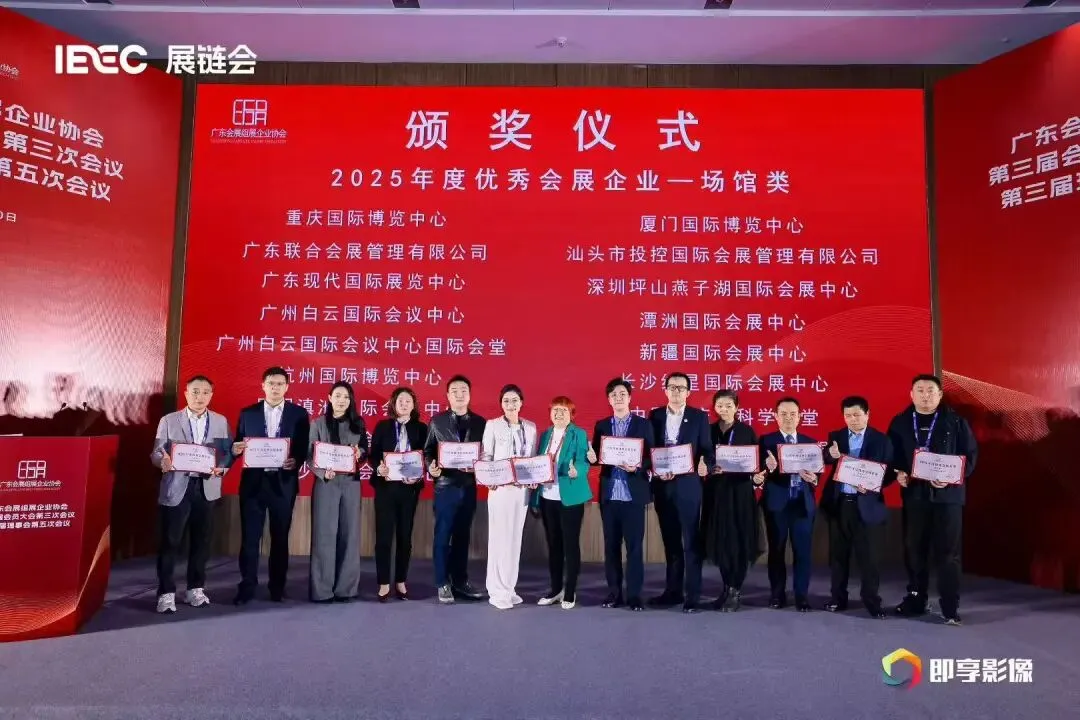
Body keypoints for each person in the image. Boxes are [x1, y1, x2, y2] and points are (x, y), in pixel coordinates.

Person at [888, 374, 978, 626]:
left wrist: (951, 478)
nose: (925, 395)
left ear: (939, 395)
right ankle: (916, 599)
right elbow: (892, 456)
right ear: (911, 394)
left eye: (930, 390)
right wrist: (899, 473)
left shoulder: (956, 422)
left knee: (948, 553)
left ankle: (950, 607)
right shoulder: (900, 422)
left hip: (948, 497)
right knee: (915, 550)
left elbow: (970, 456)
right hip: (915, 496)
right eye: (920, 390)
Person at [149, 375, 231, 613]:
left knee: (201, 542)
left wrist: (222, 467)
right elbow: (157, 452)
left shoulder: (220, 421)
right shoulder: (169, 420)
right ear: (186, 393)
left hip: (206, 487)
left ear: (211, 395)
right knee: (170, 541)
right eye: (195, 391)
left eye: (205, 392)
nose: (199, 396)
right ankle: (166, 593)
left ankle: (196, 588)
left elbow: (226, 453)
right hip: (177, 487)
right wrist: (162, 461)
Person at [231, 366, 311, 604]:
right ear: (263, 386)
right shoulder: (248, 413)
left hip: (283, 484)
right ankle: (247, 587)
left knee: (280, 538)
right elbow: (239, 442)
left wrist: (296, 460)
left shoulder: (299, 414)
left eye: (280, 384)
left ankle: (277, 587)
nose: (275, 388)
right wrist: (236, 449)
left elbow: (302, 447)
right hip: (253, 485)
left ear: (287, 387)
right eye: (271, 383)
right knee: (250, 539)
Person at [647, 371, 714, 613]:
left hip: (688, 487)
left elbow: (707, 449)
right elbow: (650, 449)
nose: (676, 392)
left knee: (691, 542)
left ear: (688, 392)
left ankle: (693, 595)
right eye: (672, 387)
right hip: (663, 487)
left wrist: (705, 463)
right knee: (671, 541)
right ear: (665, 390)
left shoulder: (699, 417)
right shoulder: (654, 416)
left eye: (681, 388)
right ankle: (673, 591)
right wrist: (654, 469)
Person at [821, 396, 893, 619]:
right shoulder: (836, 436)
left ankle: (871, 601)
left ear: (867, 414)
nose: (852, 419)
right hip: (841, 503)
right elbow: (825, 459)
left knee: (869, 558)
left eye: (856, 415)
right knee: (838, 556)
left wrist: (872, 485)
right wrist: (830, 455)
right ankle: (837, 598)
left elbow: (889, 472)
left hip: (867, 505)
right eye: (848, 416)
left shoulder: (881, 440)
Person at [591, 378, 655, 612]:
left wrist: (636, 466)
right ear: (608, 400)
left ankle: (635, 595)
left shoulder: (643, 424)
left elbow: (652, 457)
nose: (618, 398)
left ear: (630, 398)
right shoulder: (602, 425)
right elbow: (597, 457)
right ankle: (614, 593)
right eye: (613, 395)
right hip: (610, 495)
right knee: (611, 547)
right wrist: (591, 457)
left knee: (635, 548)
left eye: (622, 394)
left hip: (633, 495)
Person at [424, 374, 487, 604]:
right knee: (443, 534)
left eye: (464, 391)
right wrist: (431, 467)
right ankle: (442, 582)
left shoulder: (481, 423)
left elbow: (486, 452)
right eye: (455, 391)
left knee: (463, 535)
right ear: (447, 396)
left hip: (469, 486)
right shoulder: (437, 421)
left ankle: (460, 581)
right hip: (445, 486)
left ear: (469, 395)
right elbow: (428, 451)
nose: (460, 395)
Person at [759, 396, 821, 612]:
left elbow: (817, 474)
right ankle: (777, 595)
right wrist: (767, 467)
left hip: (802, 504)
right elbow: (758, 472)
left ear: (800, 417)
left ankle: (801, 596)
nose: (788, 418)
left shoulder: (810, 442)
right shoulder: (766, 441)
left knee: (802, 552)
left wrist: (814, 479)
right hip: (777, 504)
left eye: (792, 414)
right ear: (775, 417)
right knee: (776, 551)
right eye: (783, 414)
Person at [307, 381, 368, 603]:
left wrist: (359, 453)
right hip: (326, 483)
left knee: (350, 535)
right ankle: (322, 590)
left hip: (351, 483)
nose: (342, 400)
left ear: (351, 401)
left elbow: (365, 452)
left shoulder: (358, 423)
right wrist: (322, 472)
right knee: (324, 534)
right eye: (338, 396)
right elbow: (309, 455)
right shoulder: (318, 423)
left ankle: (346, 589)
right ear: (329, 398)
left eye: (346, 397)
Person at [701, 389, 761, 612]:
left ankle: (735, 590)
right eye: (720, 406)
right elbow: (702, 458)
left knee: (739, 542)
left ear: (737, 407)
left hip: (740, 493)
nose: (724, 410)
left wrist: (756, 476)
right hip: (716, 493)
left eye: (728, 405)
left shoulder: (746, 431)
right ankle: (726, 588)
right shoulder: (708, 431)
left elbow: (756, 464)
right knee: (721, 542)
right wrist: (708, 468)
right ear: (714, 408)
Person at [480, 384, 538, 610]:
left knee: (515, 539)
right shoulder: (493, 425)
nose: (510, 404)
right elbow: (486, 455)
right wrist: (489, 478)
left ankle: (509, 587)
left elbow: (533, 458)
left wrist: (534, 478)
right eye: (506, 401)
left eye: (514, 400)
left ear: (521, 403)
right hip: (500, 490)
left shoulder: (530, 427)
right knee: (499, 539)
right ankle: (496, 590)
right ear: (501, 404)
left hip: (521, 491)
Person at [533, 396, 593, 610]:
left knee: (570, 545)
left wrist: (578, 470)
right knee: (554, 545)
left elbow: (584, 461)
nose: (559, 414)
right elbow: (538, 462)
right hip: (547, 496)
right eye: (555, 410)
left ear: (571, 414)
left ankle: (570, 591)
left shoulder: (579, 433)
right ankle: (555, 589)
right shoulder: (546, 434)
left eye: (564, 411)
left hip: (570, 497)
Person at [368, 387, 427, 602]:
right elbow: (373, 455)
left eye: (408, 401)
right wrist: (379, 467)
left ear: (413, 405)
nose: (404, 404)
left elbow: (426, 457)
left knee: (405, 536)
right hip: (385, 488)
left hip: (409, 489)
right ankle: (383, 582)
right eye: (400, 400)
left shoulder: (421, 428)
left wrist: (418, 475)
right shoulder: (383, 426)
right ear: (393, 404)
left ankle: (401, 580)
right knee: (383, 536)